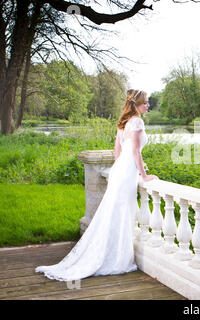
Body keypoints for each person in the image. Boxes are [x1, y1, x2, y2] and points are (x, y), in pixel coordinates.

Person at [35, 89, 158, 281]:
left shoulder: (123, 122)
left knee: (114, 213)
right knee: (122, 213)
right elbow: (136, 152)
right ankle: (117, 258)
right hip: (127, 172)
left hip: (120, 170)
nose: (148, 106)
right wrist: (144, 174)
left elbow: (118, 150)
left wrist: (119, 168)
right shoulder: (137, 121)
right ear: (137, 105)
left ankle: (110, 252)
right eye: (145, 103)